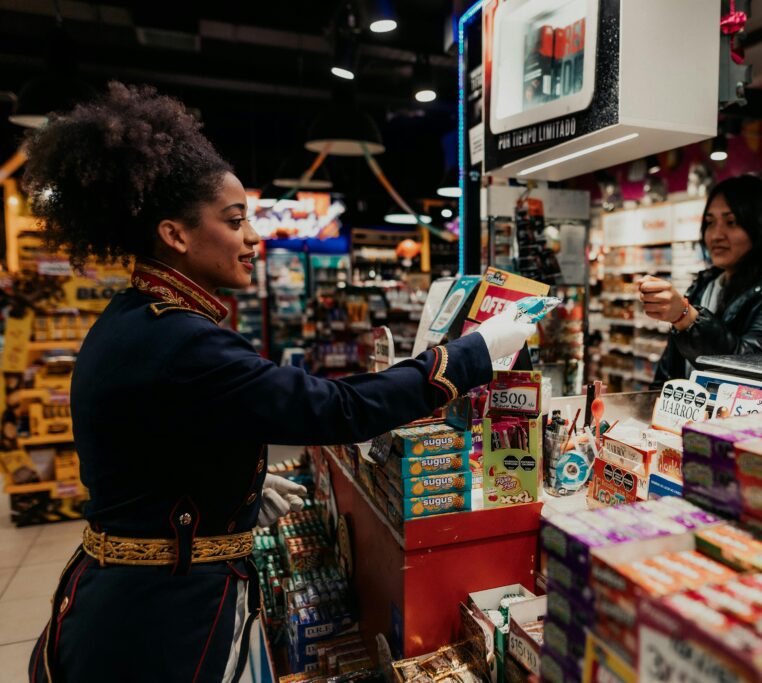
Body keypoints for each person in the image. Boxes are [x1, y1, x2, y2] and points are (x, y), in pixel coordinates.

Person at [23, 83, 534, 682]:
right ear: (175, 235)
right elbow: (339, 410)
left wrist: (224, 506)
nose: (253, 239)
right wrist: (472, 354)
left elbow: (152, 454)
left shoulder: (135, 317)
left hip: (127, 590)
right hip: (162, 618)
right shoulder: (185, 341)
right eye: (235, 221)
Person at [638, 175, 762, 385]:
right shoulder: (705, 285)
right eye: (710, 222)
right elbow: (671, 368)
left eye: (731, 222)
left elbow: (754, 372)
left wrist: (686, 319)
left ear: (760, 226)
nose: (716, 235)